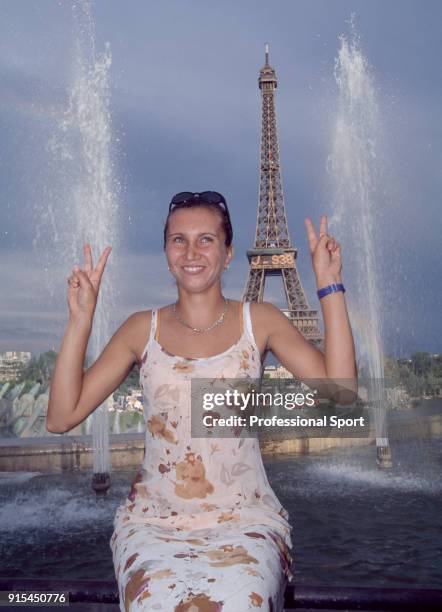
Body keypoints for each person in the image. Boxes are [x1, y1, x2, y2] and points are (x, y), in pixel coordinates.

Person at [47, 190, 357, 611]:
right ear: (166, 251)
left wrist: (328, 285)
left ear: (229, 253)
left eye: (206, 239)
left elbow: (339, 396)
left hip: (246, 520)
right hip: (153, 522)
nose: (191, 251)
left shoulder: (260, 320)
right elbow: (62, 416)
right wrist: (80, 319)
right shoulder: (142, 329)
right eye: (179, 239)